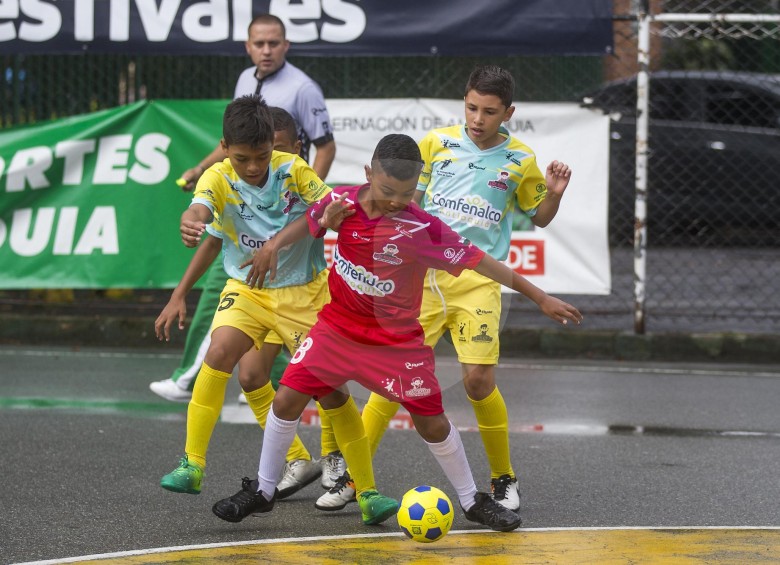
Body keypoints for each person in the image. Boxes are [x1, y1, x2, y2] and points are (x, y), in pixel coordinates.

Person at [209, 134, 581, 531]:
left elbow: (484, 263)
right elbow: (309, 221)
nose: (394, 202)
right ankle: (264, 492)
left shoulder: (423, 228)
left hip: (396, 345)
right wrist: (273, 246)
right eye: (387, 191)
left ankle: (473, 501)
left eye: (405, 195)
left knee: (432, 422)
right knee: (286, 400)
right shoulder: (344, 203)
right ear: (369, 174)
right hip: (336, 330)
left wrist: (540, 297)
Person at [330, 64, 574, 513]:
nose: (478, 119)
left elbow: (538, 216)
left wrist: (554, 193)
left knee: (478, 381)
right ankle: (353, 476)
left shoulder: (521, 160)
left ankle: (502, 478)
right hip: (420, 281)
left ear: (509, 113)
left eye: (489, 112)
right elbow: (407, 203)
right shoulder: (436, 144)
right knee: (390, 379)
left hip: (477, 282)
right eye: (471, 108)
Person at [156, 107, 343, 498]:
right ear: (226, 150)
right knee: (236, 365)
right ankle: (194, 462)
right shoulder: (220, 177)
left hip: (302, 293)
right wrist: (180, 285)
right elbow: (206, 224)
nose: (255, 166)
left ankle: (340, 463)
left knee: (328, 385)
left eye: (265, 155)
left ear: (288, 149)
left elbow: (331, 213)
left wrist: (278, 242)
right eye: (243, 158)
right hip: (249, 289)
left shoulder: (294, 172)